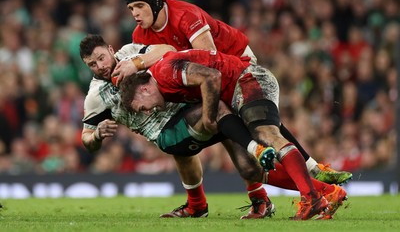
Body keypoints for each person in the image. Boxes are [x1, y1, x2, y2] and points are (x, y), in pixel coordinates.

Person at [113, 0, 352, 186]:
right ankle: (295, 180)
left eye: (140, 6)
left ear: (155, 4)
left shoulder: (185, 15)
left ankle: (312, 172)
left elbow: (209, 60)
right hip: (205, 76)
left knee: (256, 126)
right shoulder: (138, 36)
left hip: (236, 61)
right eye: (131, 8)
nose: (135, 13)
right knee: (242, 138)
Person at [81, 34, 347, 220]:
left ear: (110, 48)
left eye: (101, 58)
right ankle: (295, 182)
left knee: (247, 163)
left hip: (185, 107)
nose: (100, 67)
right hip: (167, 131)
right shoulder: (96, 96)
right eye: (92, 64)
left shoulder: (131, 53)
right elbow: (85, 138)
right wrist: (96, 135)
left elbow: (163, 50)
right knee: (220, 112)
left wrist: (137, 63)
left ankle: (313, 192)